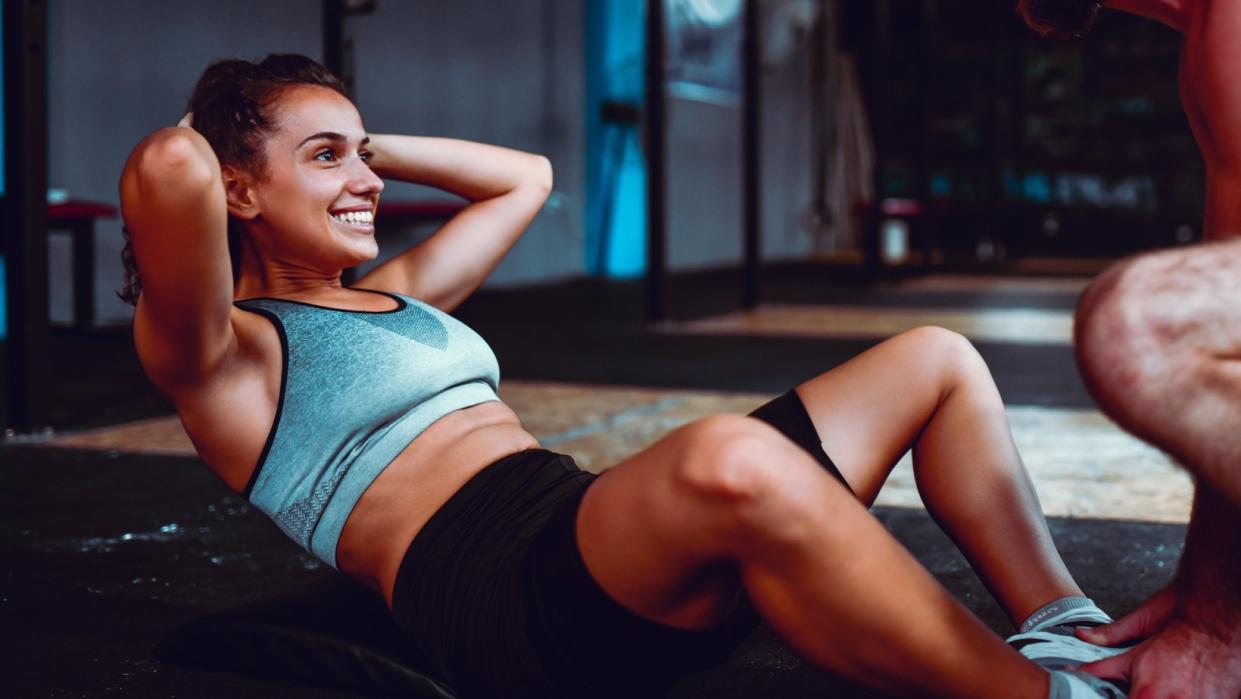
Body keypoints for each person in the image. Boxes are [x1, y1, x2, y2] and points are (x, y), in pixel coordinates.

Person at [118, 54, 1123, 699]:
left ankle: (1063, 631)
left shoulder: (403, 292)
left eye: (362, 153)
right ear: (237, 186)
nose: (368, 179)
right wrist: (216, 120)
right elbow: (168, 166)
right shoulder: (227, 358)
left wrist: (355, 144)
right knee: (726, 452)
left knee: (933, 359)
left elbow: (528, 179)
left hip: (590, 543)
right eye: (326, 157)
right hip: (500, 602)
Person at [1018, 1, 1241, 697]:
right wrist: (1205, 595)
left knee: (1136, 328)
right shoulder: (1213, 29)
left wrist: (1215, 632)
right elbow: (1229, 358)